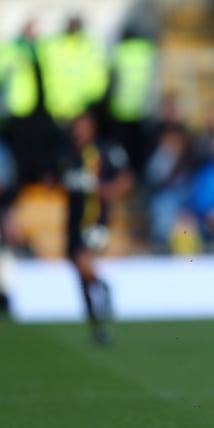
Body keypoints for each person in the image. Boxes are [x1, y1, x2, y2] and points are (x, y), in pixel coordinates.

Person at [59, 108, 133, 345]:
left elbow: (126, 179)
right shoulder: (67, 154)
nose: (77, 130)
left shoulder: (106, 150)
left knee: (83, 262)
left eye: (82, 125)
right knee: (80, 277)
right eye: (75, 126)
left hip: (96, 221)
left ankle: (102, 284)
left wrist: (109, 191)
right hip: (73, 223)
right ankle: (97, 326)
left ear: (92, 127)